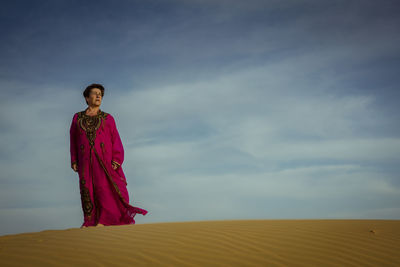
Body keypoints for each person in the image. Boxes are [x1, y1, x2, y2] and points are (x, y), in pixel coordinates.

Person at [69, 83, 148, 228]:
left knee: (105, 189)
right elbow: (73, 139)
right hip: (85, 162)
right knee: (87, 191)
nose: (98, 96)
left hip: (105, 161)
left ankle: (105, 220)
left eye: (100, 94)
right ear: (87, 98)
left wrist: (117, 159)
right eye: (94, 93)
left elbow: (115, 139)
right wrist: (74, 159)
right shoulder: (77, 118)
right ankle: (89, 221)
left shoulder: (108, 118)